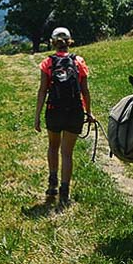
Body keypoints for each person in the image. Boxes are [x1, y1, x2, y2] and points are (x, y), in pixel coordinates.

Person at [34, 26, 92, 207]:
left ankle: (52, 184)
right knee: (67, 153)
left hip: (54, 110)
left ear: (52, 42)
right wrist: (88, 113)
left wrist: (37, 116)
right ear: (69, 41)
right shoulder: (79, 62)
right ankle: (65, 192)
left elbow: (43, 90)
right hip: (74, 112)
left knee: (53, 146)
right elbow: (85, 91)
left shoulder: (47, 63)